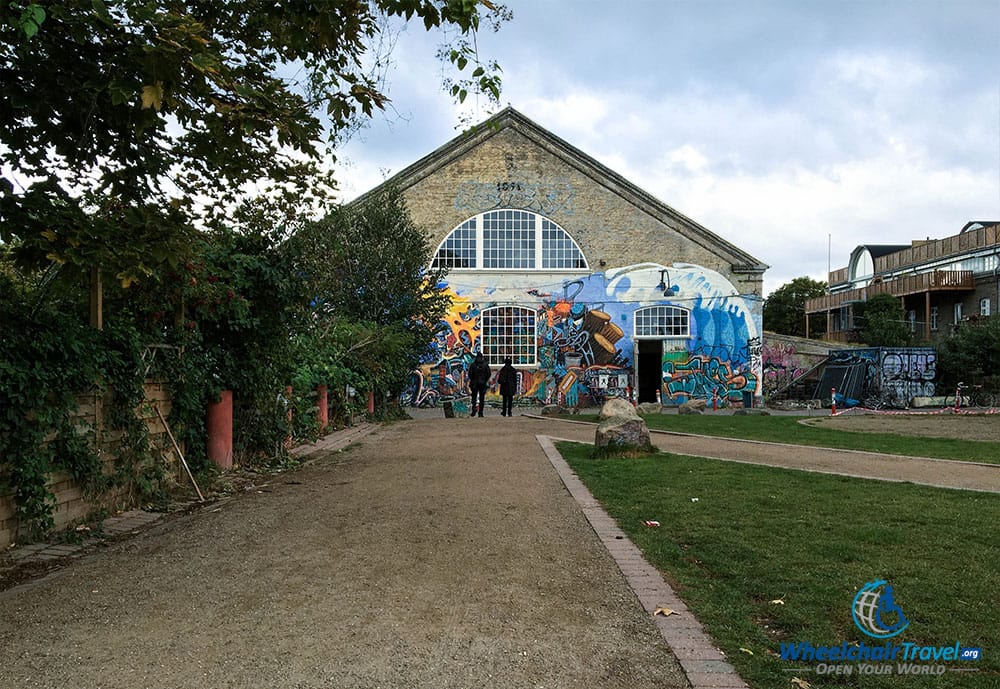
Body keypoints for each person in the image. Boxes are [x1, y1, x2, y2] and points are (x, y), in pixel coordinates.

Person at [468, 352, 492, 418]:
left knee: (474, 398)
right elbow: (488, 373)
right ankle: (480, 413)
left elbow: (470, 374)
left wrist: (473, 379)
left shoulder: (473, 365)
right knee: (482, 399)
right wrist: (485, 379)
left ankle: (473, 410)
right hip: (482, 383)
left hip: (474, 384)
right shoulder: (485, 365)